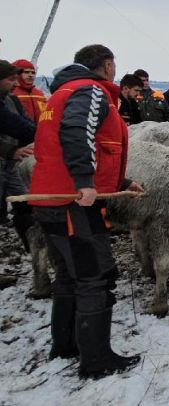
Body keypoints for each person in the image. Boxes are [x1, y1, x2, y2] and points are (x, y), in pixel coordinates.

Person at [30, 44, 143, 378]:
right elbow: (77, 132)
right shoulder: (90, 91)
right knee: (95, 276)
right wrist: (84, 182)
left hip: (50, 198)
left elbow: (93, 147)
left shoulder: (62, 92)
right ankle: (96, 361)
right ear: (107, 65)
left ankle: (64, 345)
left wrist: (121, 180)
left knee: (69, 274)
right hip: (74, 203)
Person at [0, 60, 34, 242]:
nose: (16, 83)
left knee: (23, 202)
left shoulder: (11, 100)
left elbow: (24, 124)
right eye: (11, 79)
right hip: (7, 156)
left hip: (10, 163)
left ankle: (31, 243)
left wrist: (43, 134)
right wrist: (10, 150)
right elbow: (12, 124)